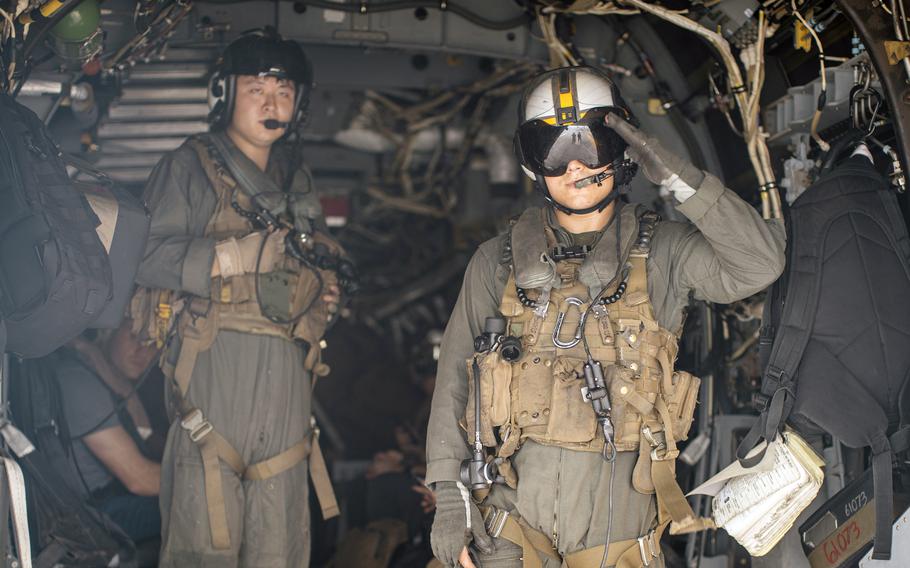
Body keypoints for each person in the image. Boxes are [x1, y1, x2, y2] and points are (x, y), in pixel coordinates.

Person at [425, 66, 786, 568]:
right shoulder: (497, 260)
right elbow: (454, 383)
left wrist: (681, 179)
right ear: (533, 163)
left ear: (622, 150)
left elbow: (761, 264)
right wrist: (450, 499)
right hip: (507, 533)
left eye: (590, 142)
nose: (574, 165)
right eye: (552, 149)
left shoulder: (666, 251)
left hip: (618, 541)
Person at [136, 27, 348, 567]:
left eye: (284, 92)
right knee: (204, 538)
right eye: (257, 90)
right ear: (225, 94)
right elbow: (143, 258)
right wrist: (228, 259)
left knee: (280, 543)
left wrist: (323, 293)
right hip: (213, 367)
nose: (272, 103)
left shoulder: (297, 184)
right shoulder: (187, 168)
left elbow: (317, 265)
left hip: (287, 374)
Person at [55, 320, 163, 544]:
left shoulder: (110, 378)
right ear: (108, 330)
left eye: (154, 342)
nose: (143, 350)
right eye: (135, 336)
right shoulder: (79, 381)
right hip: (97, 513)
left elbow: (148, 437)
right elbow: (140, 480)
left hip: (115, 497)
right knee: (196, 507)